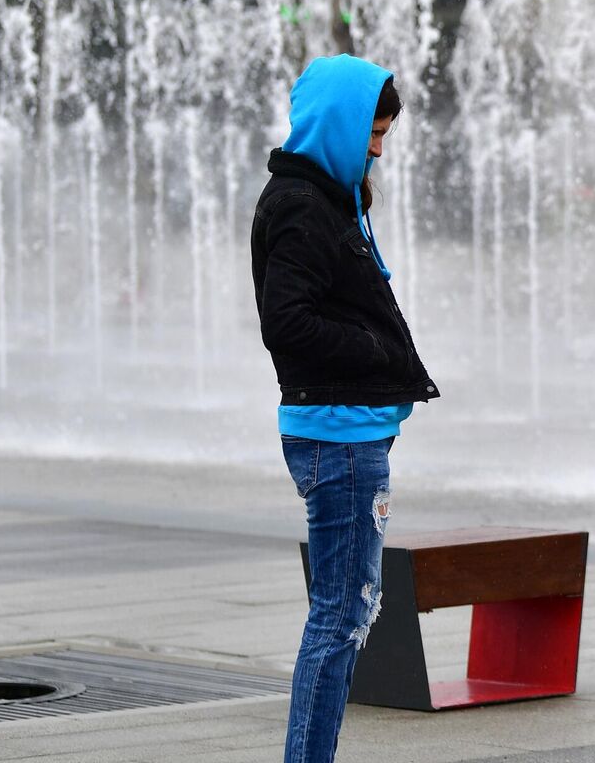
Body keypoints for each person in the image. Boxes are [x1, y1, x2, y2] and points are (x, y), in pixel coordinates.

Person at [251, 54, 439, 763]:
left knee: (349, 610)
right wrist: (372, 349)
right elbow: (286, 323)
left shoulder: (326, 198)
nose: (380, 152)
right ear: (339, 128)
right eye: (373, 137)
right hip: (337, 433)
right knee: (340, 614)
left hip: (350, 429)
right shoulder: (302, 209)